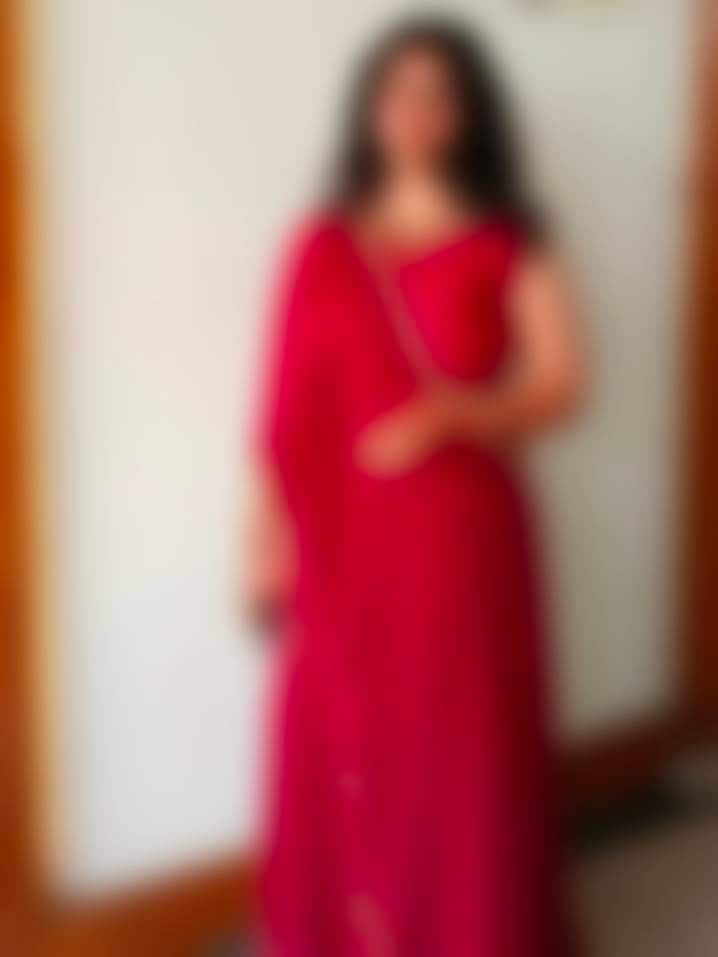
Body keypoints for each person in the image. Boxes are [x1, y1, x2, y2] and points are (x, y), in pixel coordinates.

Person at [246, 16, 584, 957]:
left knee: (456, 759)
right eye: (396, 89)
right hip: (335, 538)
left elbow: (563, 382)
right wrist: (262, 542)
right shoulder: (319, 244)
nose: (414, 109)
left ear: (469, 112)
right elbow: (278, 415)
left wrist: (455, 415)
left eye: (438, 91)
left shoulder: (509, 240)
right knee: (340, 742)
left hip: (456, 544)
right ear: (369, 107)